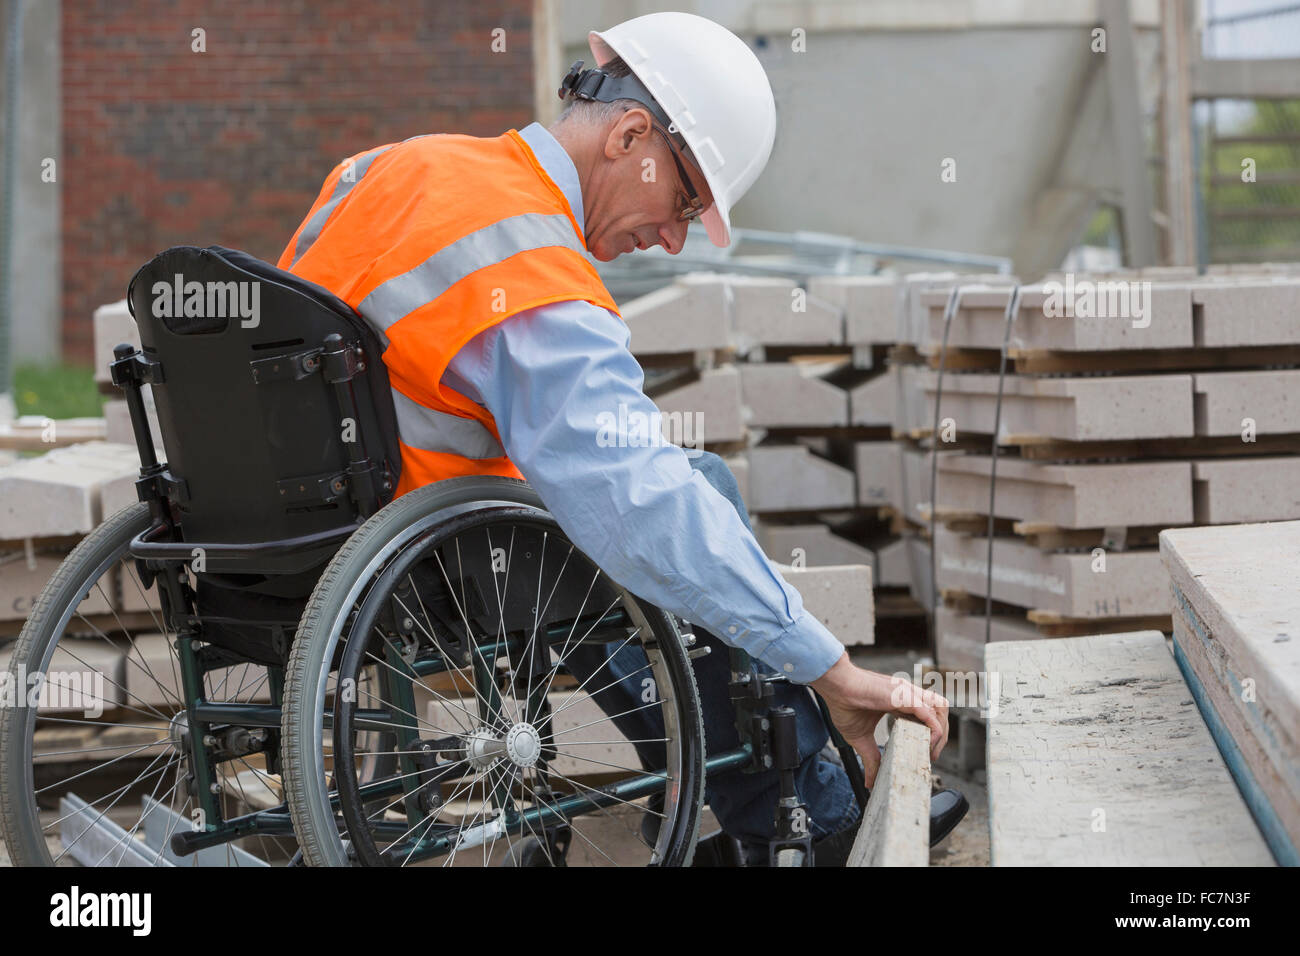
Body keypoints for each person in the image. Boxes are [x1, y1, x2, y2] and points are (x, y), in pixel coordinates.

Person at [280, 11, 962, 864]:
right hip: (426, 570)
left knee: (617, 507)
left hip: (288, 536)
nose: (674, 240)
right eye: (682, 202)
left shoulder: (389, 167)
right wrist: (832, 668)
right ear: (631, 134)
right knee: (685, 497)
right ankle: (806, 821)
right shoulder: (526, 262)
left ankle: (703, 785)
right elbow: (640, 501)